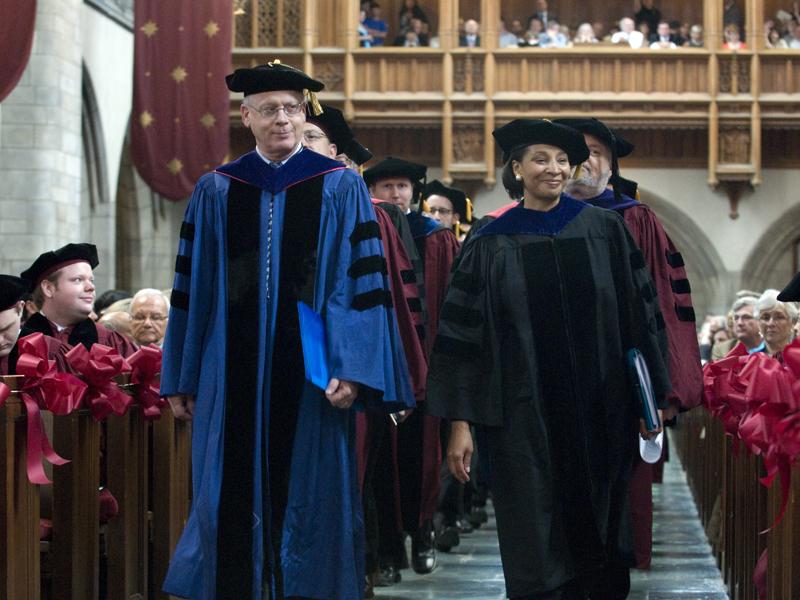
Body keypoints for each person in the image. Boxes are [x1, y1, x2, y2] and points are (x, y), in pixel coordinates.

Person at [160, 61, 415, 600]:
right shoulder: (216, 189)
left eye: (293, 109)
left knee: (314, 494)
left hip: (313, 375)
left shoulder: (340, 187)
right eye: (270, 109)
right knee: (224, 494)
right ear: (246, 117)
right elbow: (193, 288)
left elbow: (359, 283)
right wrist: (181, 375)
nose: (283, 119)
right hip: (229, 369)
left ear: (305, 115)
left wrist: (351, 365)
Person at [428, 118, 671, 599]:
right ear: (516, 168)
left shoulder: (605, 231)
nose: (555, 169)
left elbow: (640, 320)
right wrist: (460, 423)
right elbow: (462, 336)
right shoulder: (489, 240)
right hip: (523, 418)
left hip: (604, 412)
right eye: (541, 159)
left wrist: (653, 398)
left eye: (563, 160)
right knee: (534, 530)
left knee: (602, 529)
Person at [556, 117, 702, 570]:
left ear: (611, 165)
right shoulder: (524, 222)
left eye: (596, 152)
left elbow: (663, 303)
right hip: (548, 379)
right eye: (575, 152)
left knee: (619, 496)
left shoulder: (635, 219)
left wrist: (662, 390)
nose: (585, 162)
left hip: (619, 383)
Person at [302, 104, 428, 595]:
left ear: (336, 153)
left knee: (346, 484)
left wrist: (370, 371)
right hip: (279, 371)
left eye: (313, 136)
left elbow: (388, 303)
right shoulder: (254, 200)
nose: (299, 142)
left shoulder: (369, 215)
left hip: (345, 377)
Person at [364, 157, 460, 577]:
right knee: (382, 463)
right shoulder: (367, 233)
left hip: (428, 369)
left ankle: (422, 535)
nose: (395, 194)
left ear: (414, 193)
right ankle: (387, 550)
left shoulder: (435, 238)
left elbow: (450, 309)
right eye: (386, 187)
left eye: (403, 186)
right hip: (382, 369)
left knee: (423, 460)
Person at [19, 243, 137, 357]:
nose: (91, 287)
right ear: (49, 288)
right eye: (78, 280)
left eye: (91, 280)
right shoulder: (17, 342)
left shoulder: (111, 341)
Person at [755, 289, 797, 359]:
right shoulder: (749, 359)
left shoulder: (797, 357)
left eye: (779, 317)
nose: (770, 323)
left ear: (792, 322)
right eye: (765, 318)